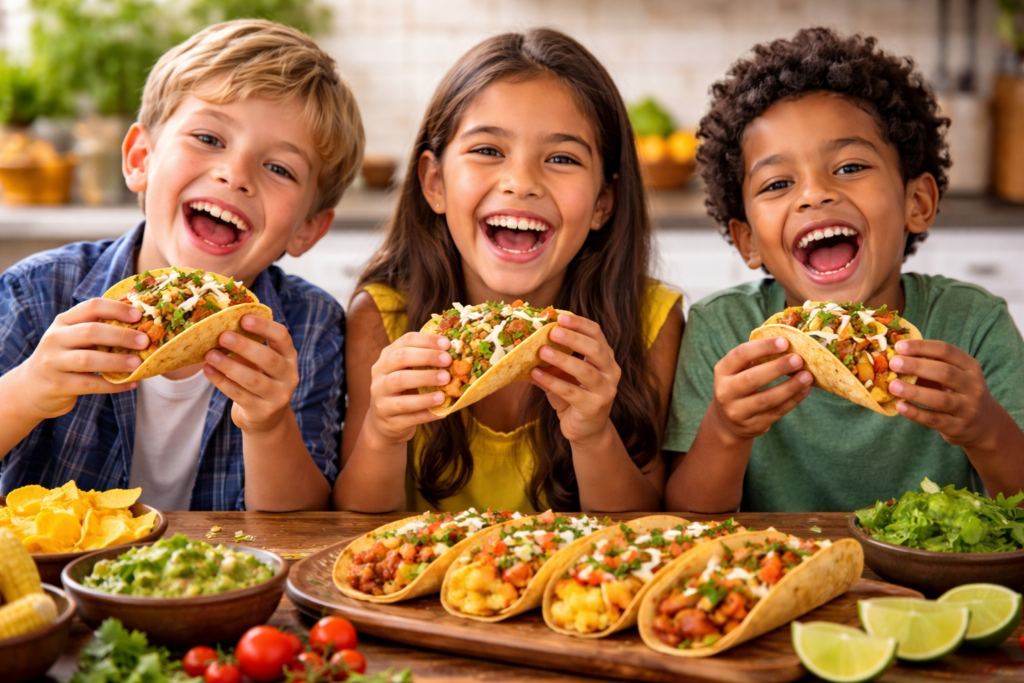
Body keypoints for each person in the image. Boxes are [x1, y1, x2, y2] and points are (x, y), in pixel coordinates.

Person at [0, 20, 364, 512]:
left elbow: (299, 531)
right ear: (140, 159)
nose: (234, 174)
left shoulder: (310, 327)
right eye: (209, 138)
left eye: (279, 168)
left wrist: (269, 423)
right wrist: (27, 390)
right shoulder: (37, 292)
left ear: (307, 229)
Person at [664, 28, 1024, 513]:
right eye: (778, 183)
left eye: (850, 167)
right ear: (748, 240)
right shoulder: (722, 332)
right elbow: (686, 517)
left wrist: (985, 430)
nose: (814, 193)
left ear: (917, 202)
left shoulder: (973, 325)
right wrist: (726, 431)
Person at [335, 28, 683, 514]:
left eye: (562, 158)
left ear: (604, 201)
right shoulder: (381, 319)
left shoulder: (650, 321)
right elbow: (350, 526)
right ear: (434, 182)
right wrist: (384, 431)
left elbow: (641, 525)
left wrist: (593, 434)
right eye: (488, 150)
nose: (521, 182)